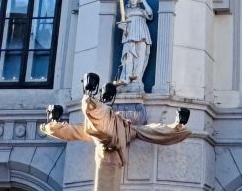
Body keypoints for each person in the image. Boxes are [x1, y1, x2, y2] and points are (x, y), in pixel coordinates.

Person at [41, 73, 194, 191]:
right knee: (99, 124)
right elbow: (72, 131)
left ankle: (89, 96)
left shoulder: (124, 126)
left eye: (108, 96)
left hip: (113, 159)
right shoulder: (103, 121)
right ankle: (89, 96)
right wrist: (53, 124)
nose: (107, 99)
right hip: (104, 153)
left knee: (108, 125)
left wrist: (177, 126)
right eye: (105, 96)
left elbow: (152, 131)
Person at [116, 0, 154, 85]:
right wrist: (122, 25)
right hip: (129, 35)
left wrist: (144, 2)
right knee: (128, 56)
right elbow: (123, 20)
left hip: (142, 34)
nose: (133, 0)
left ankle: (137, 78)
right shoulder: (126, 10)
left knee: (140, 57)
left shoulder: (142, 10)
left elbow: (150, 13)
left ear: (138, 0)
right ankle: (127, 77)